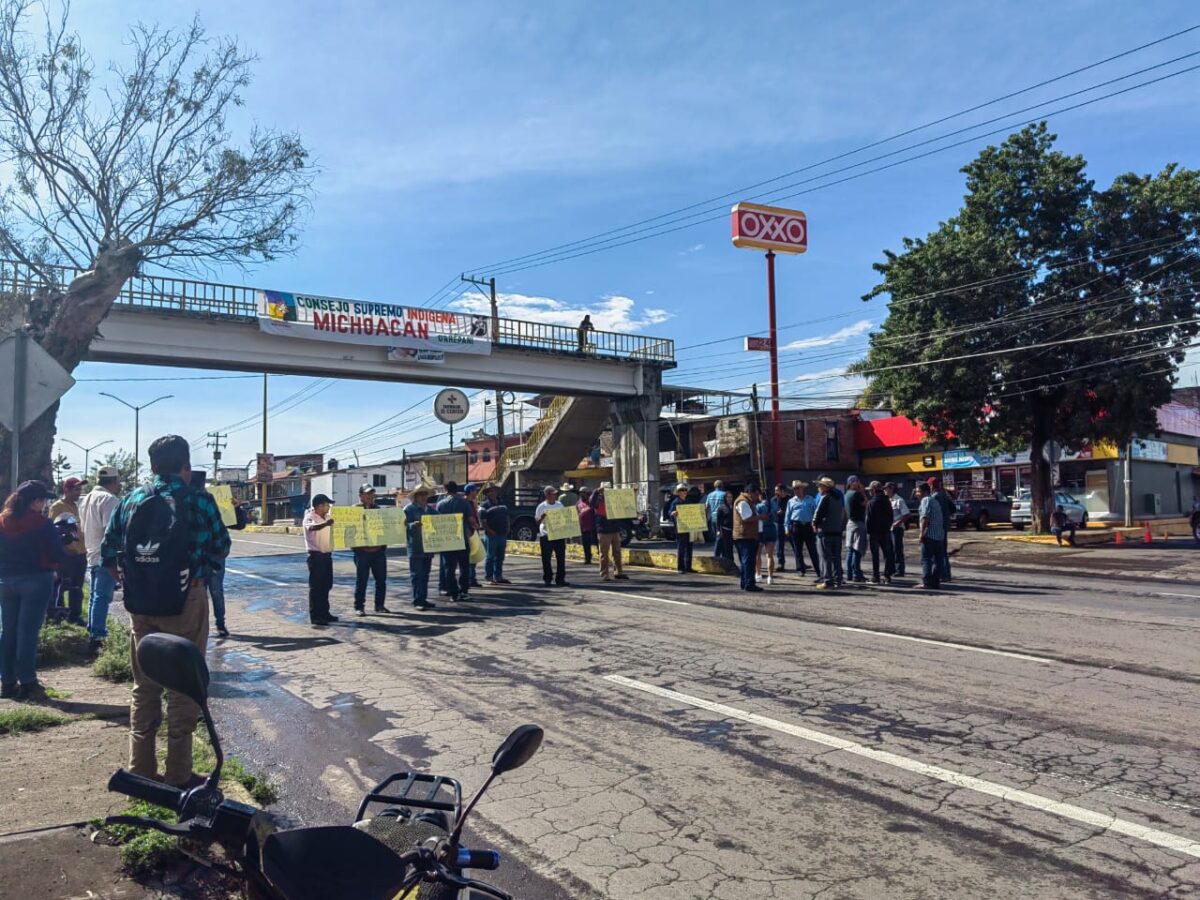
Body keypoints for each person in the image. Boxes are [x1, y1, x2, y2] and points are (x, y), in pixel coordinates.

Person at [100, 435, 230, 788]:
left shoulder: (131, 499)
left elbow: (107, 551)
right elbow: (221, 546)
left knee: (144, 686)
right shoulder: (199, 500)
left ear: (152, 466)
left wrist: (135, 579)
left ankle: (140, 771)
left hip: (141, 604)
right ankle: (178, 774)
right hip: (186, 601)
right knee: (184, 687)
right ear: (185, 466)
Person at [0, 480, 65, 699]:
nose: (45, 504)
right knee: (27, 633)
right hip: (36, 580)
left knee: (7, 632)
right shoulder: (42, 523)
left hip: (6, 581)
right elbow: (57, 554)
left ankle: (7, 682)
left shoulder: (2, 521)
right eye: (43, 499)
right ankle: (28, 682)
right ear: (36, 501)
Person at [78, 465, 122, 654]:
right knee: (102, 596)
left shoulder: (86, 498)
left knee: (96, 596)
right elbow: (109, 532)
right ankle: (98, 636)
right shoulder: (109, 499)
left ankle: (93, 631)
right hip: (104, 555)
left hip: (91, 552)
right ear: (114, 481)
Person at [48, 476, 87, 625]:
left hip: (80, 552)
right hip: (67, 554)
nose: (78, 492)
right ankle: (58, 615)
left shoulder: (77, 507)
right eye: (75, 489)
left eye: (79, 489)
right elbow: (54, 531)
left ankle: (74, 616)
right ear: (66, 490)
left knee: (77, 587)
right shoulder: (58, 506)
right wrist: (63, 550)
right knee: (62, 586)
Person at [350, 485, 390, 616]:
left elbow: (386, 528)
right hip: (362, 552)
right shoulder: (354, 510)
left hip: (378, 551)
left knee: (381, 580)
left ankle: (379, 605)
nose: (370, 496)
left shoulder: (378, 510)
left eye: (372, 494)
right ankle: (359, 607)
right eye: (367, 494)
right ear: (360, 496)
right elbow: (349, 529)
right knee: (362, 580)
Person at [436, 482, 476, 601]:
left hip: (447, 539)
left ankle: (453, 593)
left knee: (449, 568)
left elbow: (436, 522)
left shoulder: (440, 504)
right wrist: (474, 526)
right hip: (461, 538)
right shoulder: (464, 502)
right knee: (464, 566)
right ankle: (464, 591)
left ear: (445, 489)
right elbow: (470, 519)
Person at [302, 493, 338, 625]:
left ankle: (325, 613)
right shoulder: (310, 517)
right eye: (327, 504)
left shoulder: (328, 517)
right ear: (319, 506)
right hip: (316, 556)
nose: (328, 507)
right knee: (316, 587)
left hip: (327, 556)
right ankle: (315, 616)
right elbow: (312, 528)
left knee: (326, 585)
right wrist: (326, 524)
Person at [403, 485, 437, 609]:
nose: (423, 497)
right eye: (421, 494)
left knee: (425, 574)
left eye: (425, 494)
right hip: (416, 547)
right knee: (417, 575)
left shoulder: (431, 510)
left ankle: (423, 598)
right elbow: (402, 527)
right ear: (416, 497)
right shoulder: (409, 509)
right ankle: (417, 601)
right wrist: (413, 525)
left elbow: (441, 521)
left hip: (428, 547)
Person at [812, 476, 845, 589]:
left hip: (825, 532)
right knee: (836, 557)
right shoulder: (838, 498)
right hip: (837, 531)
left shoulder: (825, 498)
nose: (818, 487)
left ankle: (827, 580)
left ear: (825, 487)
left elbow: (818, 513)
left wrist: (815, 524)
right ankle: (838, 579)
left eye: (820, 485)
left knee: (825, 557)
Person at [593, 485, 629, 582]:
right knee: (604, 553)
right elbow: (591, 503)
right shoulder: (598, 500)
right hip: (604, 530)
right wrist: (596, 492)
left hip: (615, 529)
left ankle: (619, 572)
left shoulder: (614, 499)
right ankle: (604, 574)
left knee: (617, 552)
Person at [732, 482, 764, 591]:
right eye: (756, 494)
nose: (756, 497)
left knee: (746, 561)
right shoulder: (743, 502)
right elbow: (746, 518)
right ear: (750, 492)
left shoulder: (747, 501)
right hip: (745, 536)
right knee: (748, 561)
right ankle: (749, 584)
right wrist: (761, 517)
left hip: (746, 535)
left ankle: (745, 582)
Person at [784, 481, 819, 577]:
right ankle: (800, 569)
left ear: (803, 488)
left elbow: (816, 511)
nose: (796, 490)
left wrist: (816, 524)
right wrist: (786, 528)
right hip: (796, 526)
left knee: (812, 549)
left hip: (808, 526)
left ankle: (818, 569)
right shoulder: (791, 501)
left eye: (798, 488)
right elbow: (787, 516)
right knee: (797, 549)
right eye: (794, 489)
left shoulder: (810, 499)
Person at [535, 485, 568, 586]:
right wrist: (542, 517)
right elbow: (537, 521)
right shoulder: (542, 506)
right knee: (546, 558)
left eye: (555, 494)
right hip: (546, 534)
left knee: (561, 558)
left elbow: (564, 518)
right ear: (547, 495)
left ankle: (560, 579)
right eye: (553, 494)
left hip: (558, 534)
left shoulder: (559, 505)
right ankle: (548, 578)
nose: (555, 495)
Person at [479, 485, 511, 585]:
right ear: (487, 493)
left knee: (500, 556)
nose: (493, 492)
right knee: (490, 556)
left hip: (503, 533)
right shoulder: (484, 505)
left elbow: (507, 516)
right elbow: (483, 521)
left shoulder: (502, 503)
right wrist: (489, 530)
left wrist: (508, 527)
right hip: (491, 534)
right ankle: (489, 577)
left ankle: (498, 576)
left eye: (495, 490)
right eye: (491, 491)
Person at [866, 481, 896, 584]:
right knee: (887, 554)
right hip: (885, 531)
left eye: (870, 490)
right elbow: (891, 516)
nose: (870, 492)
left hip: (874, 531)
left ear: (873, 490)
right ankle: (887, 576)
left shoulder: (872, 502)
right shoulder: (887, 501)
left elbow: (868, 519)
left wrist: (868, 530)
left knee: (875, 555)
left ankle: (876, 576)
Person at [916, 482, 945, 590]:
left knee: (926, 559)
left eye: (918, 491)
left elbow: (925, 517)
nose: (917, 494)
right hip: (939, 535)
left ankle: (927, 582)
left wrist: (922, 533)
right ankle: (935, 582)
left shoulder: (926, 500)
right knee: (938, 561)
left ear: (925, 492)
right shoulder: (935, 501)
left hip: (930, 535)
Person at [928, 477, 954, 582]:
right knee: (943, 552)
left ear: (931, 486)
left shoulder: (934, 497)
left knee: (938, 552)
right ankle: (946, 574)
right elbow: (953, 508)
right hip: (945, 525)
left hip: (937, 527)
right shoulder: (944, 495)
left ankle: (943, 574)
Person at [843, 475, 867, 583]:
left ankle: (849, 573)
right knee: (857, 549)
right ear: (852, 483)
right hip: (858, 523)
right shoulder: (856, 494)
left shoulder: (846, 494)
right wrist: (862, 492)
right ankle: (856, 574)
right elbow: (865, 503)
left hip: (850, 523)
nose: (858, 483)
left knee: (850, 549)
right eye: (856, 481)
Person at [885, 482, 910, 577]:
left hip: (897, 529)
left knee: (897, 549)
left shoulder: (899, 500)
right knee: (889, 550)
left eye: (886, 488)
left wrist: (898, 523)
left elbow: (906, 514)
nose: (884, 490)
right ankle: (892, 569)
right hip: (888, 529)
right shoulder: (887, 500)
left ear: (891, 489)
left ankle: (900, 570)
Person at [756, 494, 777, 584]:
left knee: (758, 554)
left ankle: (758, 574)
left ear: (760, 496)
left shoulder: (758, 506)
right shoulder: (773, 505)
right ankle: (770, 577)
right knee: (770, 555)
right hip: (771, 528)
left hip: (761, 530)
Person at [714, 491, 736, 570]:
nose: (729, 499)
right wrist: (718, 530)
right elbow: (718, 521)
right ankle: (726, 565)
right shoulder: (722, 507)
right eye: (728, 497)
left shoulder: (734, 506)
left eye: (731, 497)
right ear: (725, 498)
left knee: (731, 548)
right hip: (725, 530)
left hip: (733, 530)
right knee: (725, 548)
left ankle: (731, 564)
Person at [576, 487, 597, 565]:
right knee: (585, 544)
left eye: (583, 493)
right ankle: (587, 558)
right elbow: (576, 512)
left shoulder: (592, 502)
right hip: (583, 526)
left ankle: (603, 559)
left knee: (597, 542)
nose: (582, 495)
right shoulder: (578, 503)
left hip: (593, 526)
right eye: (580, 493)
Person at [704, 480, 727, 552]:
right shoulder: (724, 494)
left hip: (713, 519)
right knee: (721, 537)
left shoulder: (710, 495)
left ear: (714, 486)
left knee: (718, 536)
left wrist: (706, 518)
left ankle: (721, 554)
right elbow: (727, 507)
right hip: (722, 519)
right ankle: (717, 554)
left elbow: (706, 507)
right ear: (722, 486)